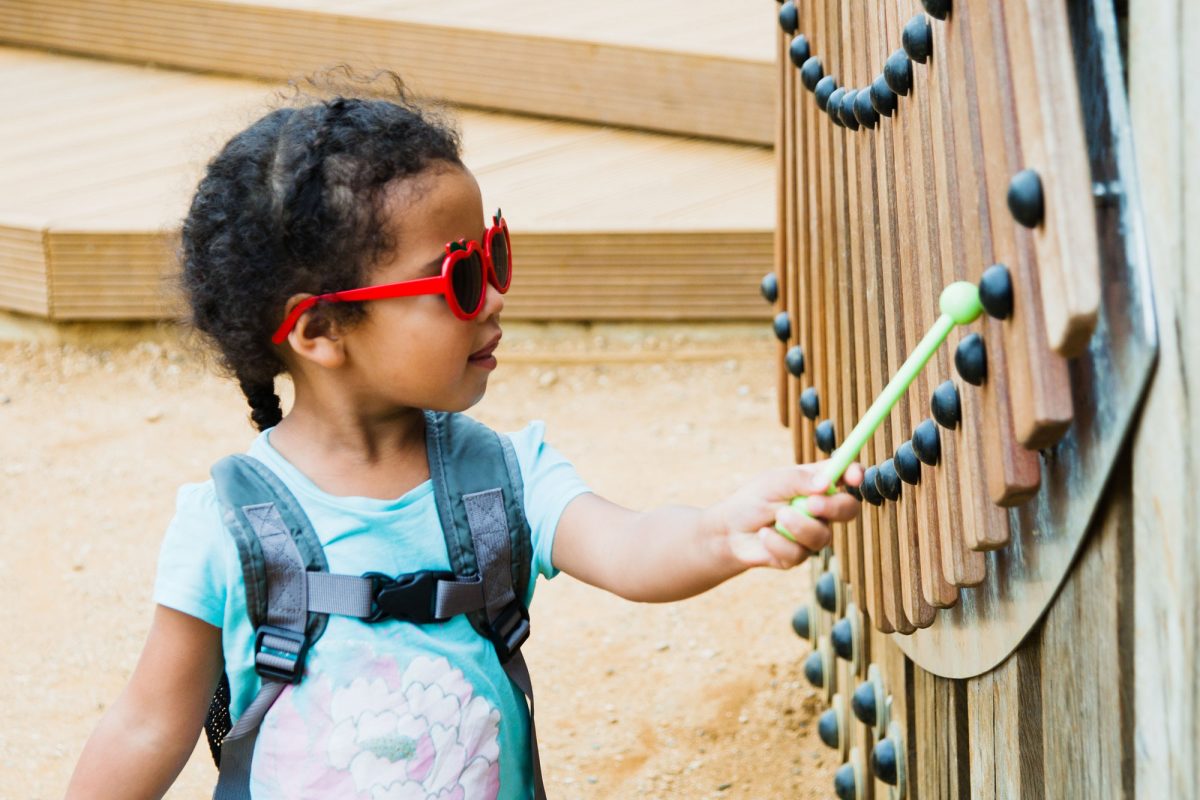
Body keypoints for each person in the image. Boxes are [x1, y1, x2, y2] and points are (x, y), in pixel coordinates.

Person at [65, 90, 862, 800]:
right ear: (318, 331)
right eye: (460, 279)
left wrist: (719, 532)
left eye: (494, 254)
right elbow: (147, 725)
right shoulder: (228, 524)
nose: (497, 296)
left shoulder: (500, 479)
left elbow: (626, 546)